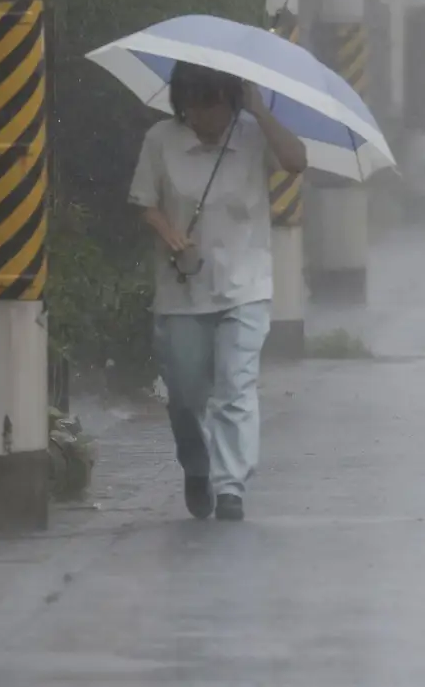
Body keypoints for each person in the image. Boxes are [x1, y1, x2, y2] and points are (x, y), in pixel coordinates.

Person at [128, 61, 308, 521]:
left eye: (222, 105)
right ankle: (196, 464)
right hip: (182, 292)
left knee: (235, 386)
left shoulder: (251, 134)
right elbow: (144, 203)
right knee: (186, 396)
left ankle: (231, 487)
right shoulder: (160, 142)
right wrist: (169, 233)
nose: (213, 117)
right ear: (185, 105)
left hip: (245, 286)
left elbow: (296, 161)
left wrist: (260, 112)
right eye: (202, 106)